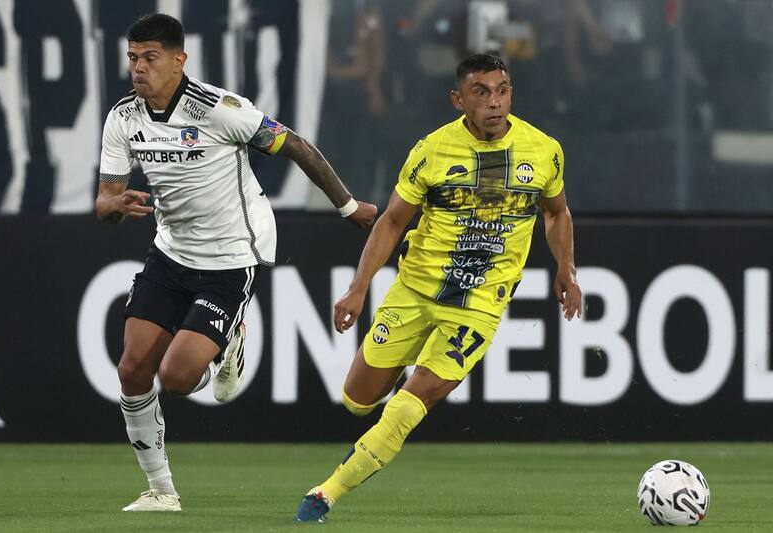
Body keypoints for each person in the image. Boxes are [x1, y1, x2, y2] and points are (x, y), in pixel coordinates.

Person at [95, 13, 376, 512]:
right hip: (170, 252)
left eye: (150, 58)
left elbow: (296, 146)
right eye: (133, 57)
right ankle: (161, 491)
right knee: (133, 370)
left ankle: (228, 341)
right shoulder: (123, 117)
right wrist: (113, 207)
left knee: (178, 380)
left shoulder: (219, 110)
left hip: (230, 255)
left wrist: (349, 207)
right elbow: (107, 201)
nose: (138, 67)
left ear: (179, 61)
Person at [295, 53, 582, 522]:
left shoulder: (543, 149)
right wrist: (358, 287)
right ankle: (391, 391)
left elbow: (555, 212)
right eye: (481, 92)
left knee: (412, 403)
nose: (495, 101)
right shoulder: (431, 151)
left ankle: (327, 492)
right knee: (357, 399)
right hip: (416, 291)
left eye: (502, 90)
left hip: (480, 305)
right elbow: (391, 222)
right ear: (458, 100)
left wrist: (566, 270)